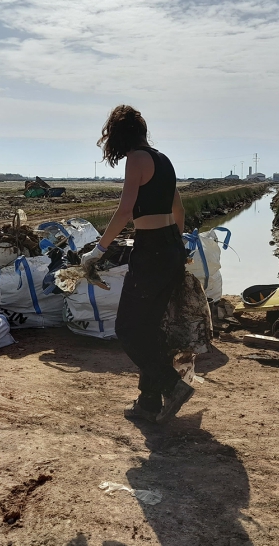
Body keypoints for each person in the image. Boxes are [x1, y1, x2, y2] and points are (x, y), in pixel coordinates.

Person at [83, 105, 191, 424]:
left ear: (120, 136)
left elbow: (125, 210)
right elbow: (180, 211)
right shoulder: (163, 160)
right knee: (149, 328)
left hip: (153, 251)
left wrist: (99, 249)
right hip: (170, 248)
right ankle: (148, 402)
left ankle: (173, 385)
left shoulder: (136, 159)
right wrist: (174, 247)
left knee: (128, 328)